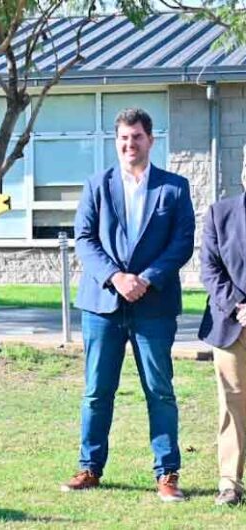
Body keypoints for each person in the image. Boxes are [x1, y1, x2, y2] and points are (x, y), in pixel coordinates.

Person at [62, 108, 195, 501]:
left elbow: (182, 242)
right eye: (123, 137)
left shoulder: (174, 188)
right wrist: (116, 278)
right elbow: (84, 239)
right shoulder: (96, 185)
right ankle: (89, 468)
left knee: (160, 390)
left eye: (136, 136)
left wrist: (147, 279)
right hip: (102, 304)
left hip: (153, 307)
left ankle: (167, 473)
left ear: (150, 140)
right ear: (115, 141)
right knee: (96, 391)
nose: (129, 144)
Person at [198, 187, 246, 506]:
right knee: (232, 403)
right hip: (232, 323)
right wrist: (239, 306)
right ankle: (230, 483)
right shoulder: (219, 213)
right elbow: (210, 270)